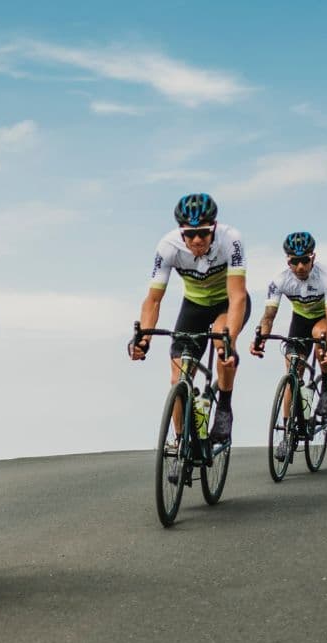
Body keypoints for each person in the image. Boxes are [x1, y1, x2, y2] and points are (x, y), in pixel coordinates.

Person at [128, 193, 250, 477]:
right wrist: (144, 338)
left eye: (203, 233)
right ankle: (183, 442)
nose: (197, 240)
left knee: (222, 341)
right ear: (182, 233)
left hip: (226, 304)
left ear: (214, 228)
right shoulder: (168, 246)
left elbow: (238, 296)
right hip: (194, 306)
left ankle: (224, 409)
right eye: (190, 234)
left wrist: (229, 338)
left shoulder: (231, 240)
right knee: (177, 378)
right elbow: (153, 300)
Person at [250, 231, 327, 460]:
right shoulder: (280, 279)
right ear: (287, 260)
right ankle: (287, 434)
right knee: (292, 372)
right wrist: (260, 338)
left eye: (305, 260)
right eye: (295, 261)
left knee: (319, 335)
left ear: (313, 257)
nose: (300, 266)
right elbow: (269, 316)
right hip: (300, 320)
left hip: (326, 318)